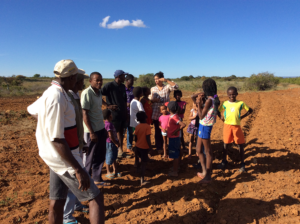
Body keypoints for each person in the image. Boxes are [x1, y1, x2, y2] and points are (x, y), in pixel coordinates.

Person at [27, 60, 104, 224]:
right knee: (95, 198)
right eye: (77, 77)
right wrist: (78, 169)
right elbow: (57, 138)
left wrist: (48, 122)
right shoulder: (57, 97)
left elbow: (34, 111)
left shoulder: (57, 92)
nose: (79, 81)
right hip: (64, 157)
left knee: (57, 201)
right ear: (71, 77)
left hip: (57, 157)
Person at [63, 69, 89, 224]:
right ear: (74, 81)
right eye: (80, 81)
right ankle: (67, 217)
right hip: (67, 146)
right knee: (72, 178)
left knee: (78, 178)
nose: (82, 84)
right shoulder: (64, 97)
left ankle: (77, 204)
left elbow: (78, 122)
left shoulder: (75, 96)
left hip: (77, 143)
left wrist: (82, 141)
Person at [81, 72, 112, 186]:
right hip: (91, 131)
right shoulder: (87, 93)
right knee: (89, 157)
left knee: (100, 155)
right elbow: (84, 113)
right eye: (96, 80)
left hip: (100, 128)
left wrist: (107, 105)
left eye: (101, 80)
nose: (99, 82)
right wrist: (92, 132)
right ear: (90, 81)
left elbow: (100, 102)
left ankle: (97, 178)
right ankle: (87, 181)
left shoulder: (98, 92)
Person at [218, 86, 253, 172]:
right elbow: (218, 111)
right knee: (225, 144)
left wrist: (242, 117)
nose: (232, 96)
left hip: (237, 126)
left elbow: (250, 110)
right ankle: (224, 161)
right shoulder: (225, 103)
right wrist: (220, 117)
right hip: (227, 126)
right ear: (227, 94)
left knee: (240, 144)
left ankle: (242, 163)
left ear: (237, 94)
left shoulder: (241, 103)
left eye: (233, 94)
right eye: (230, 94)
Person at [196, 79, 220, 184]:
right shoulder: (214, 98)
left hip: (205, 126)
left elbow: (201, 116)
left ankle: (208, 176)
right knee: (198, 150)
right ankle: (204, 171)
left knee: (208, 151)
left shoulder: (209, 100)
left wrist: (198, 104)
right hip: (203, 125)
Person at [149, 71, 178, 152]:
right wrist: (153, 100)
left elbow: (176, 86)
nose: (156, 80)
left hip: (166, 114)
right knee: (157, 131)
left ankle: (167, 146)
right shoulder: (153, 89)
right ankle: (159, 147)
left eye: (157, 78)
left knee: (167, 130)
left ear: (161, 78)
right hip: (156, 113)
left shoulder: (167, 87)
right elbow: (150, 99)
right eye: (155, 79)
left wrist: (166, 80)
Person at [101, 70, 128, 158]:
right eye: (124, 76)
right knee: (112, 133)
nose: (125, 78)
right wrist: (107, 105)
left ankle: (120, 150)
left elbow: (124, 100)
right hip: (114, 114)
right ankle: (112, 153)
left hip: (122, 113)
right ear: (118, 76)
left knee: (121, 132)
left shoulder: (123, 86)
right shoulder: (109, 85)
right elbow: (98, 94)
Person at [167, 101, 186, 177]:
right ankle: (178, 165)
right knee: (178, 150)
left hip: (173, 138)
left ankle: (175, 171)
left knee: (175, 155)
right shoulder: (174, 116)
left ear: (168, 109)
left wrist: (176, 131)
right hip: (175, 138)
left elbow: (183, 125)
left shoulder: (174, 117)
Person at [134, 111, 153, 186]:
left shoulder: (137, 127)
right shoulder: (147, 126)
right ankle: (142, 180)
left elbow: (135, 138)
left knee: (138, 159)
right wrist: (150, 148)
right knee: (144, 164)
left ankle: (137, 170)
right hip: (144, 147)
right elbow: (148, 138)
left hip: (138, 146)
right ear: (146, 117)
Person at [103, 109, 120, 179]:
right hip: (111, 143)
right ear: (110, 116)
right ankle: (108, 171)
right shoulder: (109, 124)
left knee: (113, 157)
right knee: (109, 157)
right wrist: (116, 142)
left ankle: (115, 170)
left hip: (111, 143)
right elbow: (110, 135)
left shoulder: (108, 123)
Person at [125, 74, 135, 153]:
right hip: (123, 113)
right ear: (127, 81)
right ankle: (119, 147)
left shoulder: (133, 89)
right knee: (122, 130)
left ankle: (129, 145)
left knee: (130, 130)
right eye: (132, 80)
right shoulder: (122, 89)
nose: (133, 82)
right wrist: (125, 104)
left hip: (132, 112)